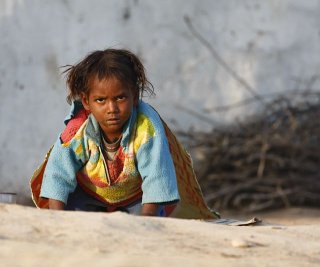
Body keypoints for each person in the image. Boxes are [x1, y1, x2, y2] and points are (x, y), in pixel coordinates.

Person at [30, 48, 218, 219]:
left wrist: (147, 220)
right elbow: (58, 173)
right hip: (88, 196)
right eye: (101, 100)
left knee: (151, 218)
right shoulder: (77, 131)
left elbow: (156, 175)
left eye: (120, 98)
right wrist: (58, 220)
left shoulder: (146, 129)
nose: (112, 108)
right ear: (87, 102)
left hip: (136, 198)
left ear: (134, 96)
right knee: (75, 216)